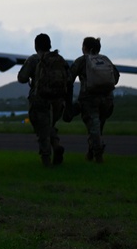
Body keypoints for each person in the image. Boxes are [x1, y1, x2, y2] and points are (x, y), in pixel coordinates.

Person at [17, 33, 70, 166]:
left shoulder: (34, 59)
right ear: (50, 45)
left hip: (40, 99)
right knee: (49, 125)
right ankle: (56, 144)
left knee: (42, 130)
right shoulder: (59, 59)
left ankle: (46, 159)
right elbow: (68, 79)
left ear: (36, 46)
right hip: (58, 100)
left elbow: (22, 78)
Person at [69, 37, 120, 163]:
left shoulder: (82, 61)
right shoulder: (105, 60)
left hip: (89, 100)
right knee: (98, 128)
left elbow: (69, 78)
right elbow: (116, 77)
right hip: (107, 100)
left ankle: (98, 155)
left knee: (94, 128)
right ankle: (90, 153)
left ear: (85, 48)